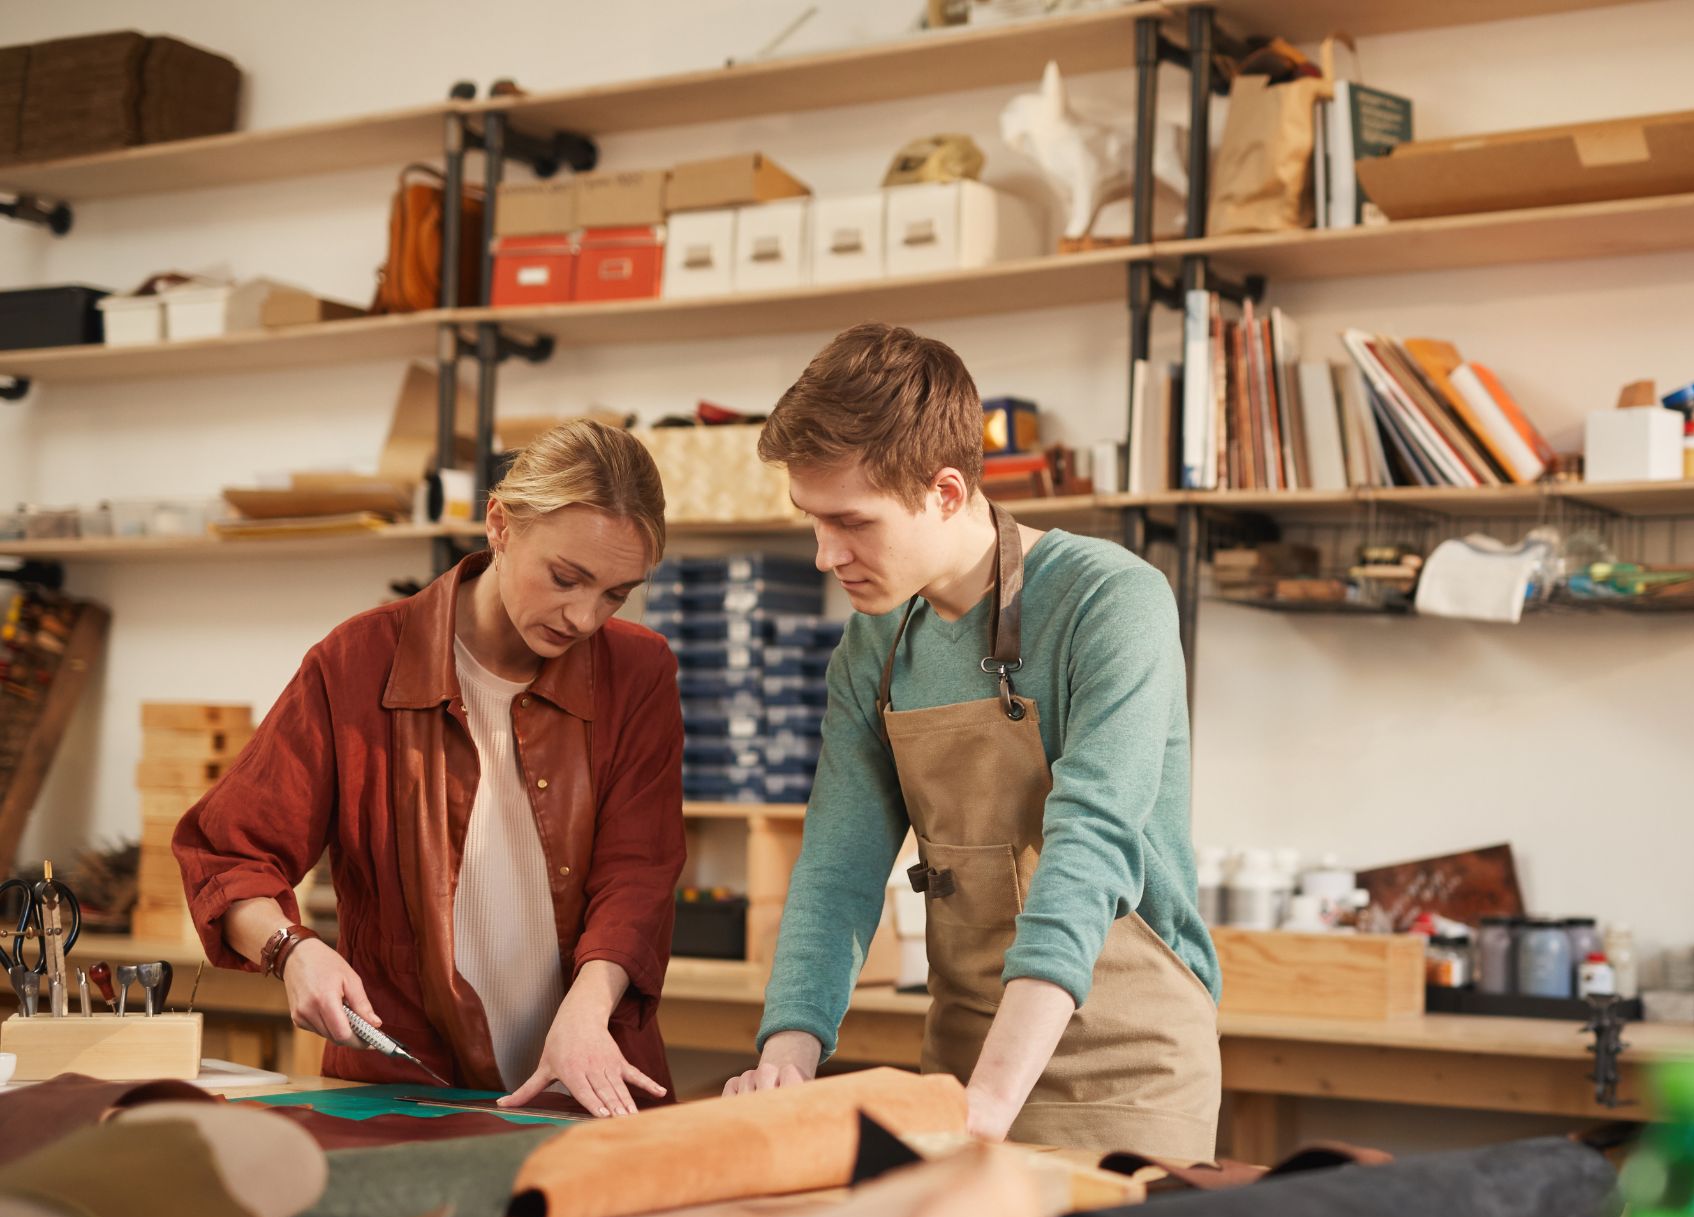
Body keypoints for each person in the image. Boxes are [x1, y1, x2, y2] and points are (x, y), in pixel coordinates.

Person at [722, 324, 1222, 1160]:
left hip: (1126, 1073)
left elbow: (1088, 852)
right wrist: (788, 1055)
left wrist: (991, 1101)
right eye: (811, 521)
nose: (824, 556)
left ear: (947, 491)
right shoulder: (874, 647)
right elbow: (838, 867)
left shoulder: (1112, 604)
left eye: (851, 522)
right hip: (959, 1065)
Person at [173, 419, 685, 1117]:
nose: (585, 617)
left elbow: (640, 871)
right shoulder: (356, 664)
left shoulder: (639, 671)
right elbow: (227, 852)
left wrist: (588, 1010)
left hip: (587, 1084)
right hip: (401, 1093)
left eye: (616, 594)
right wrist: (291, 950)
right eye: (567, 578)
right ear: (500, 525)